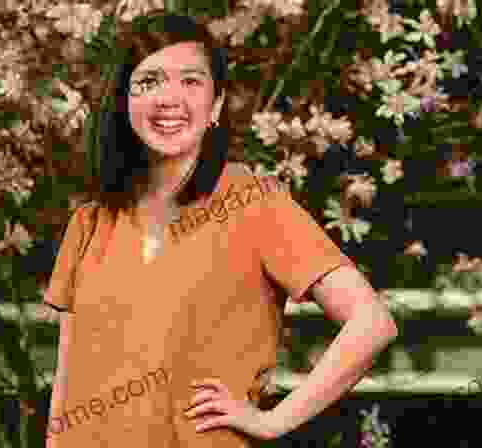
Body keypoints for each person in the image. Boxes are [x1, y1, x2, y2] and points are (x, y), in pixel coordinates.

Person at [43, 10, 398, 448]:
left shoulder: (253, 200)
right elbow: (66, 387)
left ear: (214, 105)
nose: (169, 98)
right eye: (148, 81)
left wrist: (273, 420)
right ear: (123, 103)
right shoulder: (90, 223)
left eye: (190, 81)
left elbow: (371, 323)